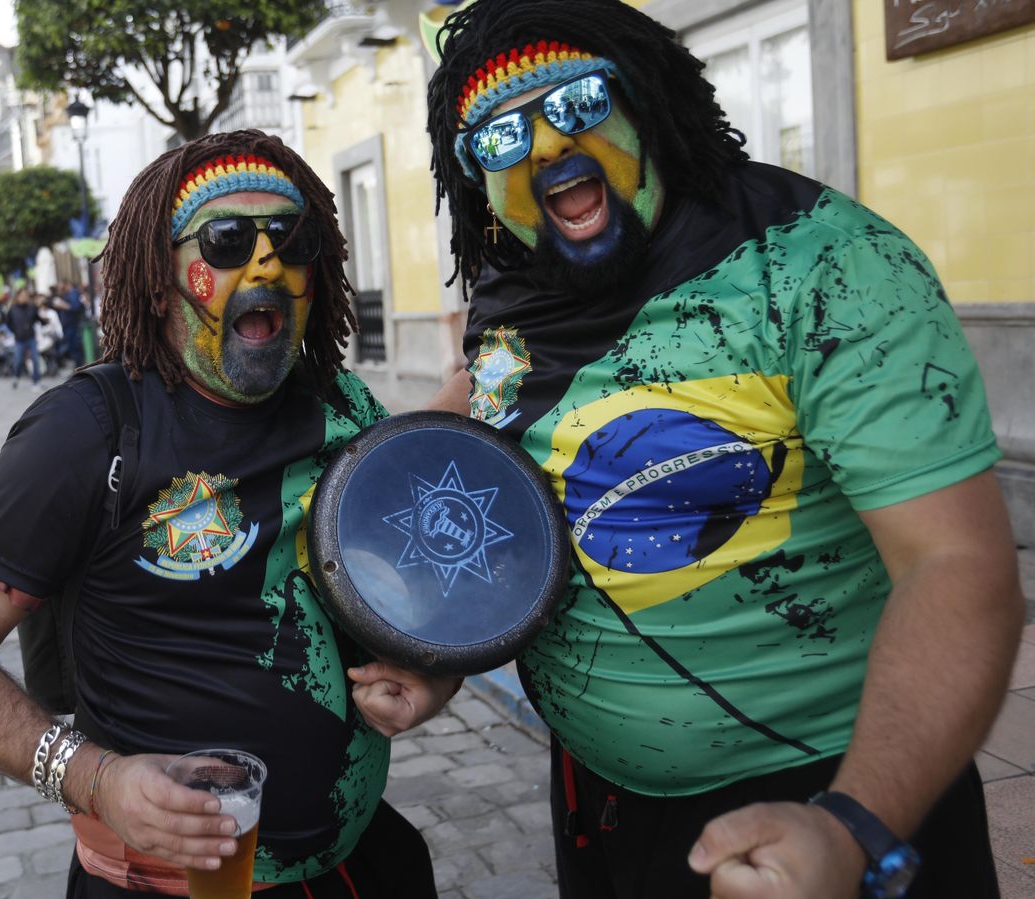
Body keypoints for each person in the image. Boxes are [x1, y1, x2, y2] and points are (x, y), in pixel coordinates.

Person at [420, 3, 1023, 897]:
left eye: (579, 104)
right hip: (601, 805)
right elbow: (471, 427)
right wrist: (431, 645)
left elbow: (958, 567)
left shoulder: (822, 264)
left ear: (648, 105)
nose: (545, 148)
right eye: (502, 139)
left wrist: (853, 825)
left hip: (831, 809)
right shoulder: (514, 293)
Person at [0, 130, 455, 899]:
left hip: (357, 868)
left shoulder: (343, 404)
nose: (267, 264)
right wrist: (94, 778)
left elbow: (431, 572)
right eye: (226, 242)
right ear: (162, 280)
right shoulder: (86, 430)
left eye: (291, 240)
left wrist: (433, 677)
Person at [4, 288, 44, 390]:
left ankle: (36, 381)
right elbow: (8, 323)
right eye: (22, 296)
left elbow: (38, 319)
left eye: (26, 296)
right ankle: (16, 376)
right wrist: (15, 331)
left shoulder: (32, 308)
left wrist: (45, 320)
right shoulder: (13, 309)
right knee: (18, 360)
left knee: (35, 359)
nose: (24, 298)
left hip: (31, 337)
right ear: (18, 297)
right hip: (19, 339)